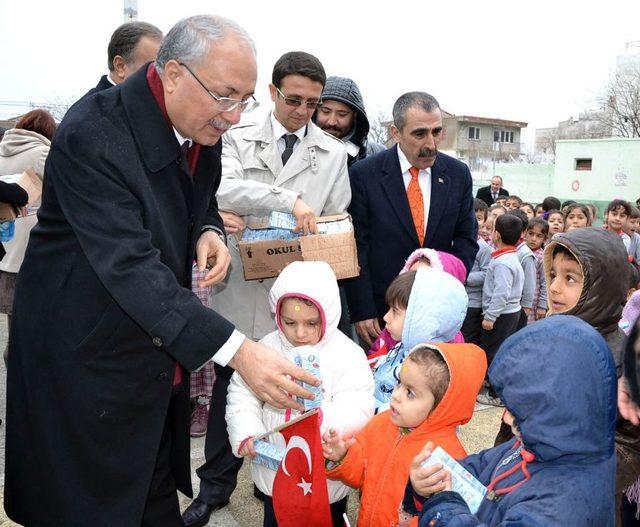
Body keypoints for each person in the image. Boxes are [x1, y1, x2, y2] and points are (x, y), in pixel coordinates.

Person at [4, 16, 318, 527]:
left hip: (148, 359)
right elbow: (130, 267)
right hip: (83, 354)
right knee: (86, 502)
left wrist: (207, 230)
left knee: (148, 497)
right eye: (224, 97)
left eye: (244, 100)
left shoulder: (199, 123)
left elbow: (198, 199)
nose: (234, 117)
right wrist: (241, 352)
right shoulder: (94, 135)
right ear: (172, 74)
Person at [186, 51, 351, 526]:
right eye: (294, 99)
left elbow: (336, 216)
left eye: (313, 103)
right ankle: (214, 485)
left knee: (295, 389)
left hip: (299, 298)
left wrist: (318, 231)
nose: (303, 111)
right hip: (240, 288)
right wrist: (283, 201)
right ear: (274, 92)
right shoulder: (235, 136)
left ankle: (281, 480)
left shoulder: (334, 154)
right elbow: (218, 188)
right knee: (229, 391)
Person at [404, 316, 617, 527]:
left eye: (518, 413)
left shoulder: (563, 507)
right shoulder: (546, 443)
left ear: (557, 414)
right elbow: (483, 466)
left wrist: (445, 508)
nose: (506, 418)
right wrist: (433, 479)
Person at [225, 261, 374, 527]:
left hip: (324, 473)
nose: (300, 332)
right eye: (290, 322)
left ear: (328, 315)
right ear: (277, 314)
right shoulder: (265, 350)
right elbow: (242, 393)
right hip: (276, 471)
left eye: (311, 323)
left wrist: (322, 429)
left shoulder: (347, 354)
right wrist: (247, 431)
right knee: (276, 518)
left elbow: (358, 403)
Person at [344, 91, 477, 347]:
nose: (431, 143)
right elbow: (357, 247)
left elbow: (466, 240)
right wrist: (362, 310)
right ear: (396, 133)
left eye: (436, 132)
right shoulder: (365, 175)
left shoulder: (457, 175)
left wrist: (443, 285)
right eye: (420, 133)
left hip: (437, 314)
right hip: (382, 315)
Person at [323, 342, 486, 527]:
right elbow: (361, 471)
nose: (396, 395)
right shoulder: (381, 424)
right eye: (399, 382)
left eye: (410, 393)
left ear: (441, 406)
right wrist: (342, 457)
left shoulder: (447, 459)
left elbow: (441, 516)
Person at [0, 109, 56, 364]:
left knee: (16, 327)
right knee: (28, 332)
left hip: (3, 252)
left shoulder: (1, 149)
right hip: (28, 257)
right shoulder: (43, 155)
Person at [372, 267, 468, 411]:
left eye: (395, 312)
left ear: (420, 320)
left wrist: (368, 410)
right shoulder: (406, 347)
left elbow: (403, 412)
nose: (386, 317)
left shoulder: (429, 368)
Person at [365, 249, 467, 368]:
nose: (413, 283)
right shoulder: (391, 331)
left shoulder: (449, 348)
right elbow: (374, 355)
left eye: (422, 279)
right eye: (411, 275)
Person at [480, 214, 524, 368]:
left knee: (494, 350)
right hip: (507, 312)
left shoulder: (502, 263)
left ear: (496, 235)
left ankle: (492, 383)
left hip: (501, 315)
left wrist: (490, 317)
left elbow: (501, 293)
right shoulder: (510, 256)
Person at [314, 75, 385, 165]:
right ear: (316, 110)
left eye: (342, 114)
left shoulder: (377, 156)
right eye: (325, 111)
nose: (332, 122)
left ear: (355, 116)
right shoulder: (297, 147)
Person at [90, 21, 163, 94]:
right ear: (120, 66)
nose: (162, 78)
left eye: (163, 68)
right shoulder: (92, 104)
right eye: (152, 68)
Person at [461, 230, 492, 346]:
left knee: (468, 339)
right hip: (459, 300)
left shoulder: (484, 248)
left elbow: (487, 274)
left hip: (474, 303)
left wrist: (464, 278)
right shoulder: (460, 244)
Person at [507, 209, 536, 330]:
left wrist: (526, 307)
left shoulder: (525, 254)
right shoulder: (507, 248)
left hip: (518, 309)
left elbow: (529, 285)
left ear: (523, 232)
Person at [524, 217, 548, 323]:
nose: (534, 239)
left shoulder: (542, 257)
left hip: (534, 304)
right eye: (531, 234)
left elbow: (545, 283)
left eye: (539, 236)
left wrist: (542, 306)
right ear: (525, 233)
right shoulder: (521, 252)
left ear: (545, 239)